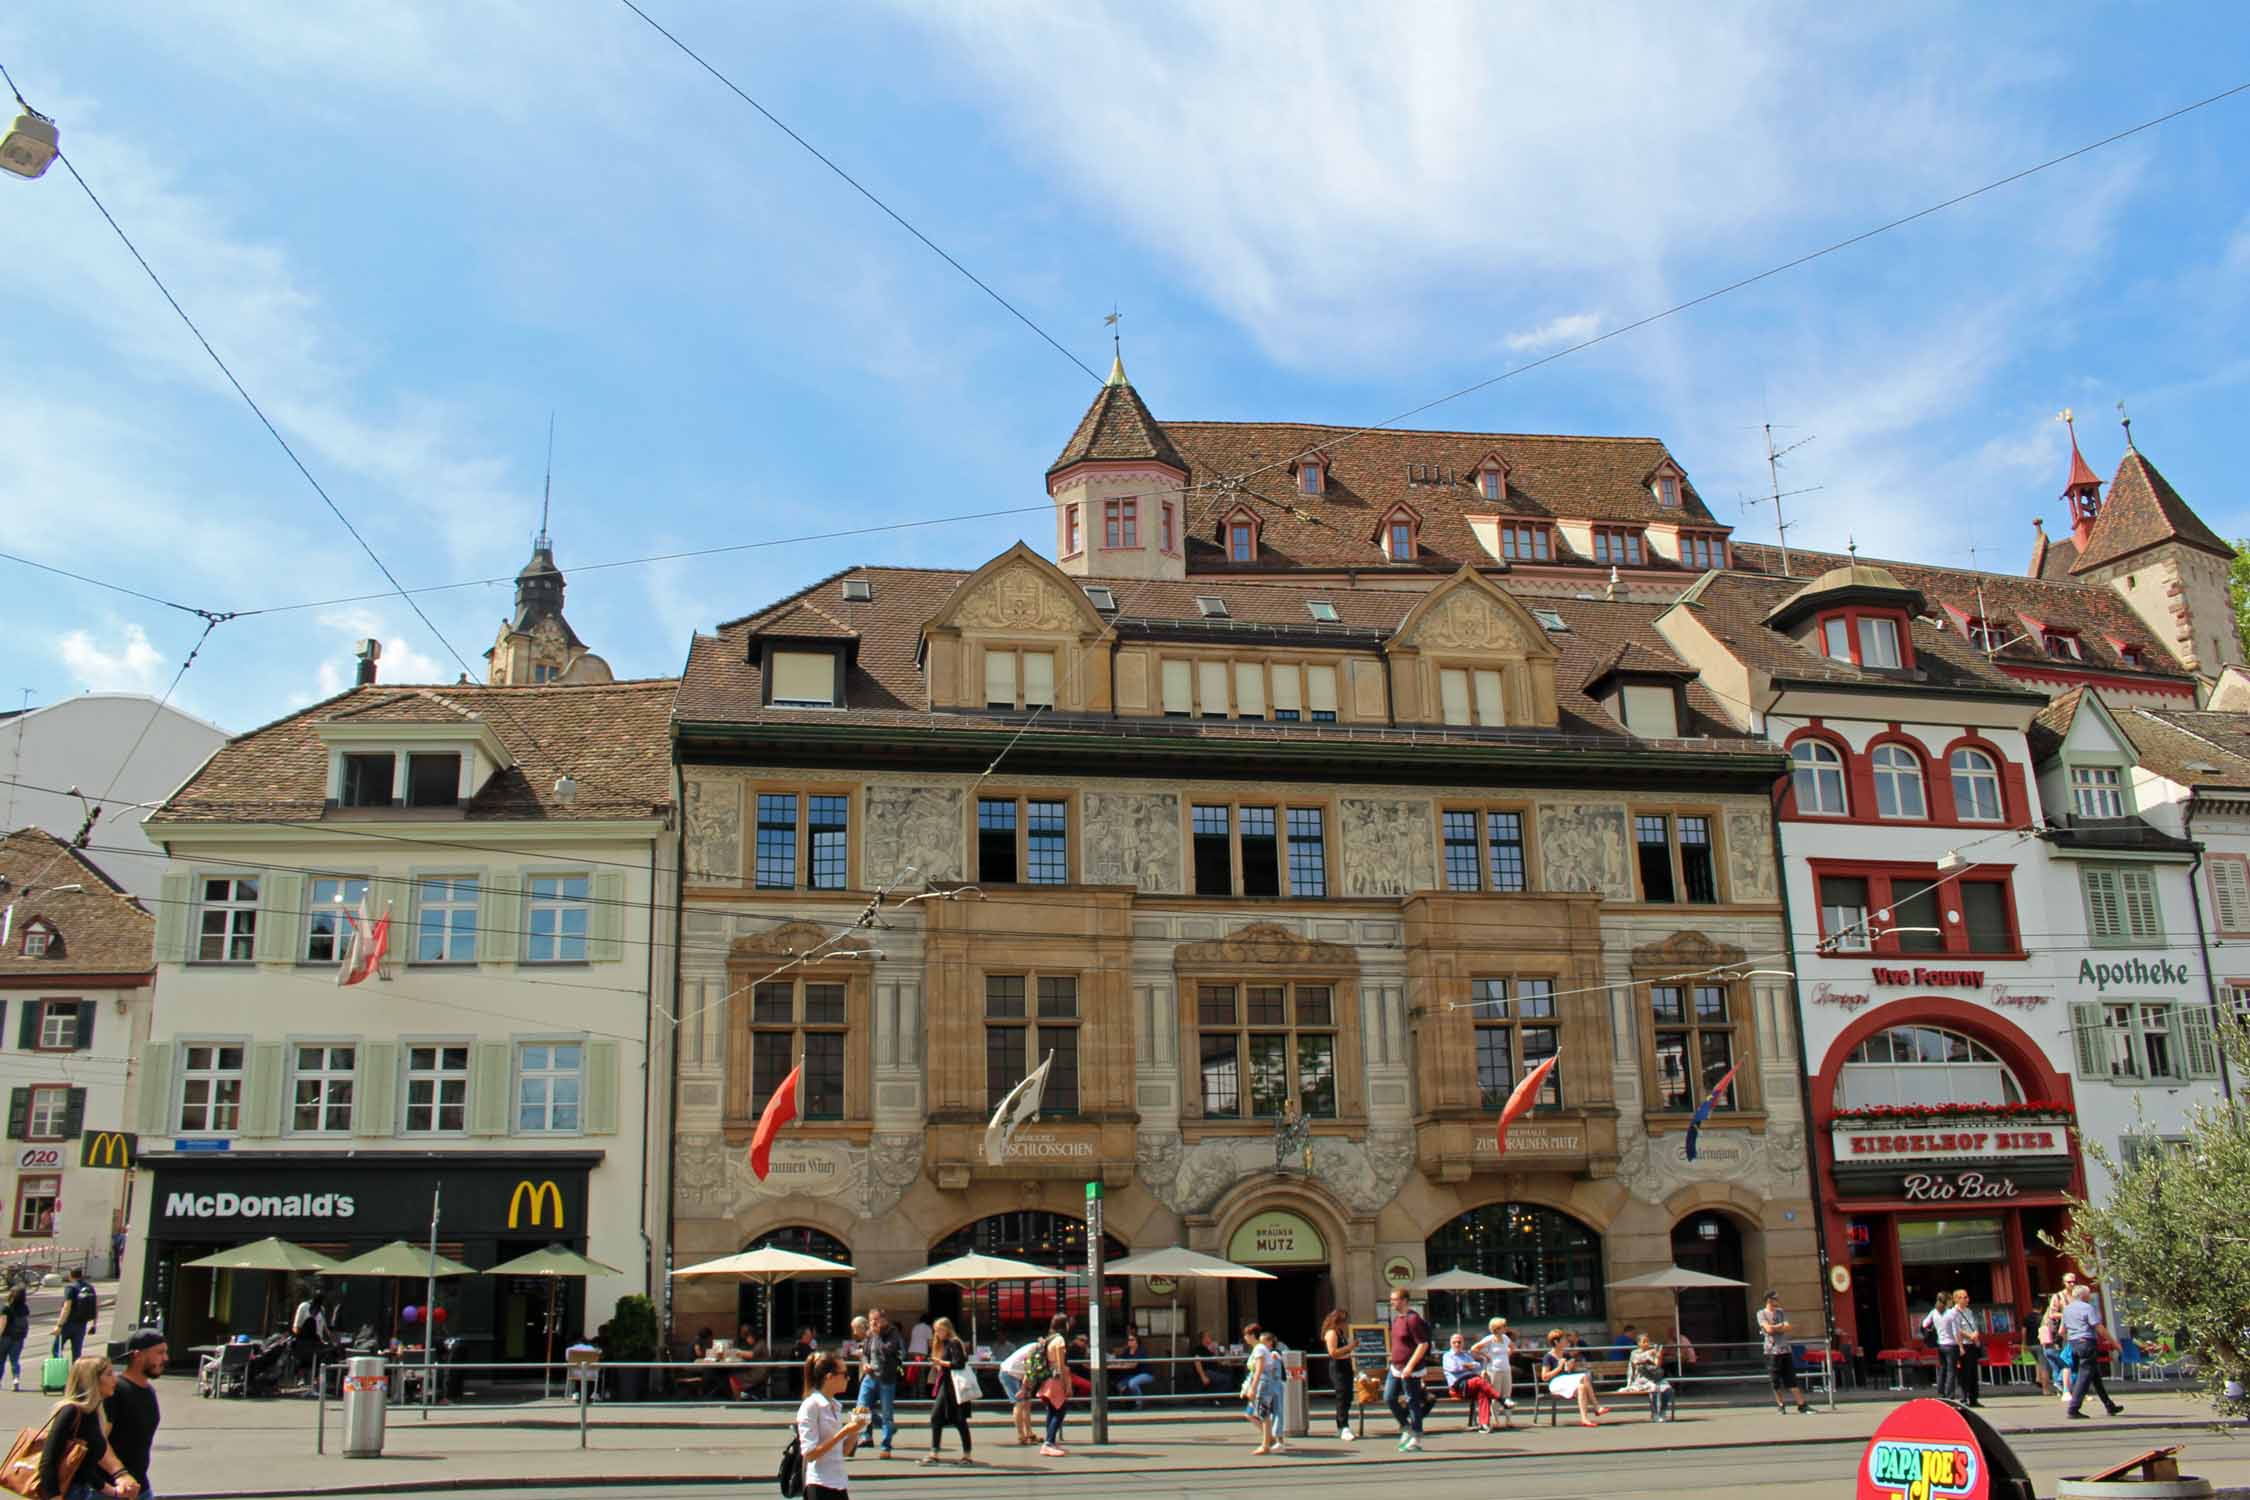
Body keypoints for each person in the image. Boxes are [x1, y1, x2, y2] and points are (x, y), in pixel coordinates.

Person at [41, 1355, 141, 1500]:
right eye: (108, 1374)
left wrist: (114, 1492)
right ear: (92, 1380)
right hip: (67, 1493)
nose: (115, 1379)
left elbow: (83, 1469)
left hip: (82, 1492)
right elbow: (48, 1461)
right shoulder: (71, 1411)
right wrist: (53, 1496)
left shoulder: (92, 1413)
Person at [796, 1350, 865, 1500]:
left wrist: (856, 1428)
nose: (848, 1378)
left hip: (839, 1483)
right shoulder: (811, 1405)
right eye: (844, 1374)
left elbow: (844, 1452)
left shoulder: (835, 1406)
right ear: (830, 1377)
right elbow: (810, 1454)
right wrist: (844, 1431)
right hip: (819, 1485)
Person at [104, 1331, 164, 1500]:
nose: (165, 1358)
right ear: (137, 1355)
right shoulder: (116, 1390)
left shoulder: (148, 1391)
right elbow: (99, 1441)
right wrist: (120, 1475)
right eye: (159, 1353)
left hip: (139, 1486)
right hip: (113, 1489)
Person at [2061, 1283, 2122, 1420]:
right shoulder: (2087, 1308)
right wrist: (2115, 1344)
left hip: (2075, 1343)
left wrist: (2071, 1341)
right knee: (2084, 1376)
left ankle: (2109, 1405)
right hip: (2087, 1343)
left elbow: (2062, 1331)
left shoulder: (2067, 1309)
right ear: (2083, 1295)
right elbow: (2099, 1328)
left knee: (2095, 1376)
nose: (2089, 1296)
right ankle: (2073, 1408)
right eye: (2088, 1294)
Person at [1382, 1287, 1432, 1452]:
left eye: (1394, 1299)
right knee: (1389, 1397)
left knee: (1412, 1401)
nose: (1391, 1302)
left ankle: (1416, 1437)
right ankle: (1406, 1426)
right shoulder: (1397, 1320)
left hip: (1409, 1368)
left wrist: (1410, 1365)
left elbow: (1423, 1344)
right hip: (1396, 1366)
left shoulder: (1413, 1319)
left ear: (1404, 1301)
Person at [921, 1317, 974, 1466]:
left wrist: (940, 1362)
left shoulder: (954, 1343)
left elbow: (959, 1363)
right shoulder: (944, 1344)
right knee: (936, 1417)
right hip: (946, 1386)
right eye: (935, 1331)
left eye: (939, 1330)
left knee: (959, 1420)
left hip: (955, 1387)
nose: (937, 1334)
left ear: (947, 1329)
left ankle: (966, 1455)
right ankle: (934, 1452)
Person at [857, 1309, 903, 1459]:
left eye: (876, 1320)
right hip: (869, 1377)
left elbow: (889, 1351)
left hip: (886, 1378)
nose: (873, 1323)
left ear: (884, 1320)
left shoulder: (892, 1333)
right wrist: (865, 1364)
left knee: (887, 1412)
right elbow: (865, 1353)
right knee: (861, 1409)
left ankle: (885, 1446)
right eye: (870, 1320)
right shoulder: (870, 1334)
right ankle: (866, 1435)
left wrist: (878, 1334)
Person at [1758, 1291, 1812, 1415]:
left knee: (1791, 1378)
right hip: (1771, 1351)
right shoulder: (1761, 1313)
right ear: (1769, 1300)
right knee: (1775, 1380)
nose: (1778, 1301)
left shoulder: (1781, 1312)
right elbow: (1768, 1329)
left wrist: (1776, 1327)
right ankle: (1781, 1406)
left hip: (1785, 1350)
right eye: (1775, 1299)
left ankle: (1802, 1405)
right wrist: (1779, 1326)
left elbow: (1788, 1326)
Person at [1542, 1329, 1607, 1427]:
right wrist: (1559, 1368)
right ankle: (1596, 1407)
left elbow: (1568, 1372)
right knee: (1584, 1376)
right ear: (1556, 1342)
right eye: (1563, 1339)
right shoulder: (1548, 1357)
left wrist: (1570, 1366)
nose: (1566, 1341)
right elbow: (1544, 1377)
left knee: (1581, 1387)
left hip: (1565, 1381)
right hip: (1555, 1383)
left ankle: (1584, 1419)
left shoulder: (1566, 1354)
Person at [1441, 1332, 1501, 1433]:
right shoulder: (1447, 1356)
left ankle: (1484, 1424)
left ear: (1463, 1343)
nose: (1457, 1344)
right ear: (1450, 1343)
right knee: (1478, 1381)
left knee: (1484, 1393)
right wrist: (1468, 1366)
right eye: (1454, 1342)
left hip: (1470, 1386)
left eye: (1459, 1342)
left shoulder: (1466, 1355)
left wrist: (1469, 1365)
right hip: (1457, 1388)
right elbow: (1453, 1368)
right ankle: (1500, 1398)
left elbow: (1477, 1367)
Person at [1243, 1325, 1284, 1456]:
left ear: (1252, 1335)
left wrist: (1253, 1388)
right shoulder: (1259, 1349)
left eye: (1246, 1335)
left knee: (1263, 1413)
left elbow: (1259, 1369)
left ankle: (1266, 1444)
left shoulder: (1259, 1349)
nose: (1245, 1338)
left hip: (1263, 1384)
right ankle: (1269, 1440)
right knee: (1260, 1413)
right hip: (1263, 1383)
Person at [1036, 1314, 1072, 1457]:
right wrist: (1066, 1384)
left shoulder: (1050, 1338)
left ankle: (1050, 1441)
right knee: (1060, 1410)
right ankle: (1049, 1443)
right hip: (1056, 1379)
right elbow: (1061, 1364)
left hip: (1048, 1378)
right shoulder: (1060, 1340)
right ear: (1064, 1325)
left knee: (1052, 1409)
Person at [1470, 1317, 1515, 1425]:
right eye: (1503, 1326)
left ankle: (1508, 1419)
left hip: (1506, 1369)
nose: (1505, 1328)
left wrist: (1507, 1355)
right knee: (1496, 1394)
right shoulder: (1489, 1339)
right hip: (1494, 1370)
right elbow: (1474, 1348)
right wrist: (1486, 1355)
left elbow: (1512, 1347)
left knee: (1507, 1394)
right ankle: (1496, 1419)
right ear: (1497, 1328)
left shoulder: (1505, 1338)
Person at [2039, 1274, 2078, 1397]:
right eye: (2069, 1282)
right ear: (2064, 1283)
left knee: (2068, 1360)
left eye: (2074, 1282)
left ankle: (2063, 1385)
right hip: (2061, 1334)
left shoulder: (2077, 1296)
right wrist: (2067, 1314)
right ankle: (2061, 1384)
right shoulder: (2058, 1297)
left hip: (2074, 1332)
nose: (2072, 1284)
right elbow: (2052, 1314)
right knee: (2063, 1361)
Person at [1320, 1308, 1356, 1440]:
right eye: (1344, 1321)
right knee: (1342, 1396)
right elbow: (1333, 1352)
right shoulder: (1331, 1333)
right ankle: (1343, 1426)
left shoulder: (1340, 1332)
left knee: (1347, 1396)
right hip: (1338, 1367)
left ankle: (1342, 1426)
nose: (1345, 1323)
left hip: (1346, 1365)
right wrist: (1350, 1347)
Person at [1620, 1333, 1673, 1421]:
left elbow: (1657, 1366)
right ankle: (1655, 1413)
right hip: (1641, 1379)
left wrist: (1659, 1356)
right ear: (1638, 1343)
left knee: (1668, 1389)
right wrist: (1629, 1383)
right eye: (1644, 1342)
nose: (1646, 1344)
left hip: (1655, 1377)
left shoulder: (1653, 1351)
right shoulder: (1634, 1352)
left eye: (1648, 1341)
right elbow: (1635, 1362)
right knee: (1653, 1389)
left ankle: (1663, 1411)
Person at [997, 1336, 1039, 1446]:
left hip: (1016, 1373)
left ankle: (1029, 1433)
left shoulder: (1036, 1346)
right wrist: (1024, 1389)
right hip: (1009, 1373)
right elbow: (1029, 1372)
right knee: (1019, 1403)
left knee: (1027, 1403)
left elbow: (1030, 1374)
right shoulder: (1036, 1351)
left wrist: (1027, 1389)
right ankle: (1021, 1435)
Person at [1945, 1291, 1982, 1408]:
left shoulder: (1969, 1311)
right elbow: (1956, 1330)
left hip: (1972, 1344)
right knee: (1964, 1373)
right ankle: (1964, 1397)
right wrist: (1969, 1336)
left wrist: (1976, 1335)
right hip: (1962, 1344)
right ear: (1956, 1299)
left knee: (1973, 1373)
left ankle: (1974, 1398)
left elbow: (1973, 1325)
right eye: (1963, 1298)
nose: (1966, 1299)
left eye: (1967, 1297)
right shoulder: (1953, 1313)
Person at [55, 1267, 98, 1364]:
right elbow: (95, 1306)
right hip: (81, 1324)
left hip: (68, 1324)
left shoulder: (71, 1288)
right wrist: (94, 1324)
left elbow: (67, 1307)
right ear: (81, 1275)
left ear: (70, 1276)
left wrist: (59, 1325)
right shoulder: (90, 1287)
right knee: (77, 1354)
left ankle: (60, 1372)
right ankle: (75, 1376)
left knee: (56, 1349)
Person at [1, 1277, 29, 1392]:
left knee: (1, 1360)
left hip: (6, 1337)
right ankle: (15, 1379)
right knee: (15, 1360)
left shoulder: (6, 1308)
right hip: (18, 1337)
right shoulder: (24, 1308)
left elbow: (2, 1324)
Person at [1111, 1332, 1153, 1406]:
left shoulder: (1141, 1351)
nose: (1129, 1341)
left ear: (1137, 1342)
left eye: (1132, 1340)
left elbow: (1134, 1364)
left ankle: (1139, 1403)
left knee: (1132, 1383)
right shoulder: (1127, 1351)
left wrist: (1124, 1364)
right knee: (1119, 1384)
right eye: (1128, 1340)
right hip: (1132, 1375)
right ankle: (1127, 1404)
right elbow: (1120, 1360)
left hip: (1145, 1374)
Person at [1190, 1330, 1228, 1404]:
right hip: (1206, 1372)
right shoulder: (1199, 1349)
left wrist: (1216, 1351)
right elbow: (1197, 1362)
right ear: (1203, 1339)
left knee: (1227, 1374)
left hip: (1213, 1371)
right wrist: (1203, 1376)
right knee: (1227, 1379)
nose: (1210, 1338)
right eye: (1208, 1337)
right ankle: (1217, 1399)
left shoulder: (1210, 1349)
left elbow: (1218, 1361)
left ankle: (1215, 1398)